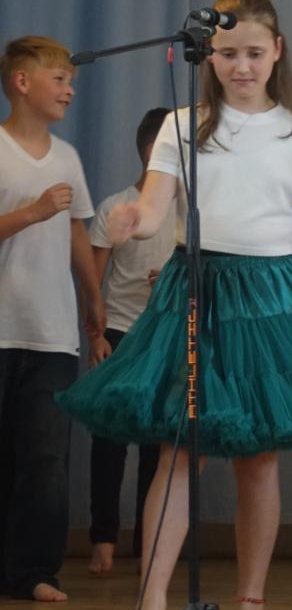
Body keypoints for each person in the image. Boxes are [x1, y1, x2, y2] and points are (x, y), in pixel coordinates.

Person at [56, 0, 292, 610]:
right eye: (228, 53)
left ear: (277, 51)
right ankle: (154, 597)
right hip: (195, 290)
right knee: (178, 452)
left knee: (259, 457)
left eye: (254, 53)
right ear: (208, 55)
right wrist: (135, 219)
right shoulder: (181, 126)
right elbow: (155, 207)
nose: (241, 66)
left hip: (270, 297)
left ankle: (250, 597)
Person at [0, 35, 103, 602]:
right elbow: (45, 215)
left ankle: (34, 571)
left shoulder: (67, 157)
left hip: (52, 334)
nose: (69, 91)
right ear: (22, 82)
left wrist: (93, 302)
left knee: (46, 461)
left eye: (72, 82)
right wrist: (32, 211)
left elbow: (77, 229)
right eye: (59, 79)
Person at [83, 107, 174, 575]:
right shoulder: (114, 207)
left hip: (167, 336)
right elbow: (93, 281)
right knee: (110, 439)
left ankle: (149, 545)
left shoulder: (188, 213)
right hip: (120, 332)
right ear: (152, 151)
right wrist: (96, 336)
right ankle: (103, 539)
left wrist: (174, 281)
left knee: (159, 445)